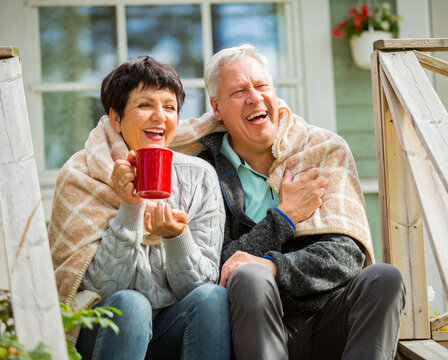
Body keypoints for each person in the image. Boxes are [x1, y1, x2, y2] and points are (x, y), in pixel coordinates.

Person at [171, 44, 406, 360]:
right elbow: (216, 267)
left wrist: (272, 266)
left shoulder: (323, 150)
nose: (254, 97)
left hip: (329, 315)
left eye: (261, 85)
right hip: (251, 326)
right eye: (239, 91)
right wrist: (283, 218)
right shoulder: (204, 171)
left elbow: (346, 256)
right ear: (217, 108)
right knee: (249, 277)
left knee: (384, 278)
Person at [48, 56, 230, 360]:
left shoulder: (198, 177)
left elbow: (199, 288)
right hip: (103, 331)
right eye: (145, 105)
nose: (160, 117)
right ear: (116, 118)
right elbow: (96, 291)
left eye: (170, 107)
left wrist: (176, 238)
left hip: (168, 330)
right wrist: (130, 209)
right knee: (132, 304)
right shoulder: (82, 176)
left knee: (213, 298)